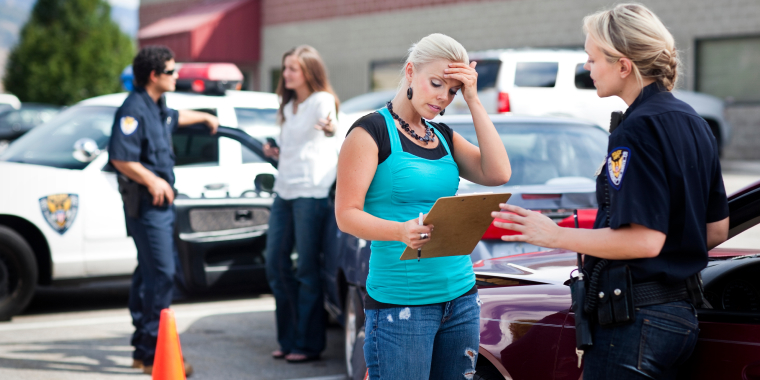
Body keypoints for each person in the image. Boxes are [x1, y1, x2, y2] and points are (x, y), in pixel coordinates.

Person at [492, 4, 730, 379]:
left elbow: (645, 241)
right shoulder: (694, 122)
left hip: (636, 323)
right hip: (680, 317)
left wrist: (554, 234)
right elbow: (715, 230)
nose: (588, 67)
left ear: (623, 65)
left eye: (592, 58)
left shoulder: (635, 130)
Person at [335, 33, 511, 379]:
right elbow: (346, 215)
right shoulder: (370, 132)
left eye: (453, 91)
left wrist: (474, 101)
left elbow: (498, 172)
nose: (443, 97)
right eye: (436, 84)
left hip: (460, 296)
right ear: (411, 72)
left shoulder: (442, 135)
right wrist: (400, 231)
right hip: (402, 302)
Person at [109, 45, 219, 376]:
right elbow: (120, 156)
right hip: (147, 206)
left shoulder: (158, 107)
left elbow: (174, 119)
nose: (177, 76)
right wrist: (153, 181)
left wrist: (203, 116)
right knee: (163, 274)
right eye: (171, 72)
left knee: (148, 273)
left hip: (161, 208)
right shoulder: (133, 110)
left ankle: (143, 350)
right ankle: (158, 351)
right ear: (154, 75)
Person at [263, 45, 340, 363]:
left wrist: (331, 127)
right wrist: (275, 151)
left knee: (307, 269)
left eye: (292, 68)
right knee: (275, 265)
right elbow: (292, 146)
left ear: (309, 71)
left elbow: (333, 127)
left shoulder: (321, 100)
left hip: (311, 193)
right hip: (284, 190)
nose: (286, 74)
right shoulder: (289, 104)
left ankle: (307, 345)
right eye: (285, 68)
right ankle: (289, 338)